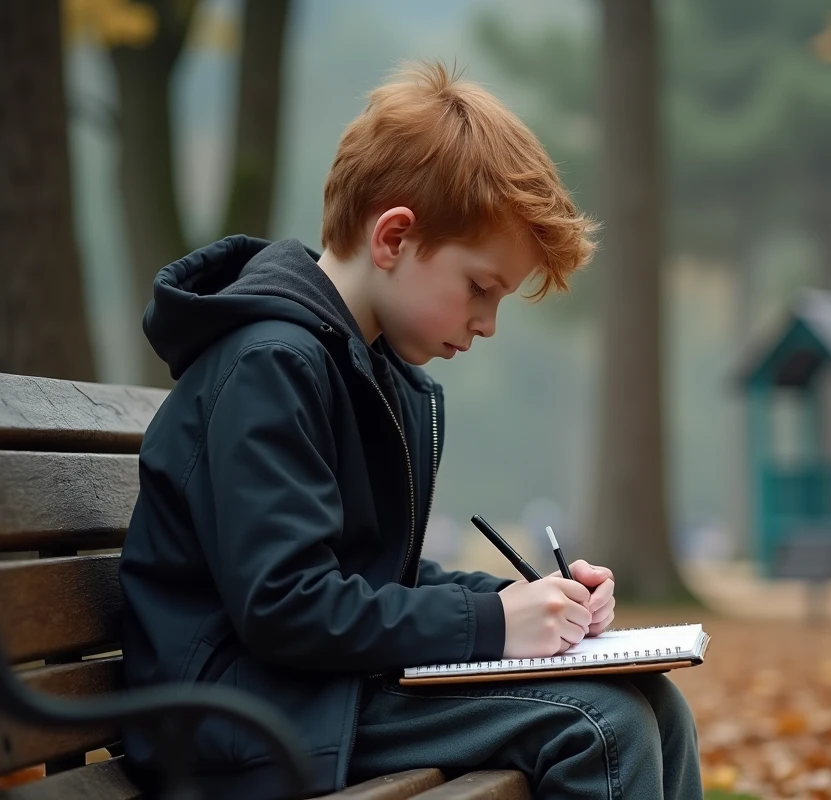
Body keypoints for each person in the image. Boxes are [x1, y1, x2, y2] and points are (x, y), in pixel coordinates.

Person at [117, 61, 701, 800]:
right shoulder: (272, 363)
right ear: (394, 237)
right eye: (481, 288)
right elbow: (287, 605)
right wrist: (491, 622)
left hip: (307, 689)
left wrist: (536, 606)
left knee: (658, 705)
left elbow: (372, 578)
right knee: (600, 729)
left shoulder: (361, 367)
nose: (487, 323)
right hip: (233, 717)